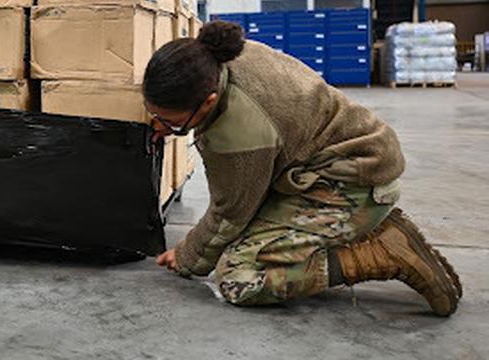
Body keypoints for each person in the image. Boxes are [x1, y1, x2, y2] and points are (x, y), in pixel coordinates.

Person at [146, 21, 461, 316]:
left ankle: (380, 254)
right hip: (343, 160)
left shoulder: (239, 132)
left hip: (352, 183)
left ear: (207, 102)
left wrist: (188, 256)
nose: (158, 125)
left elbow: (230, 214)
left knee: (236, 275)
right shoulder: (220, 59)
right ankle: (368, 227)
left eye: (170, 121)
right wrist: (170, 121)